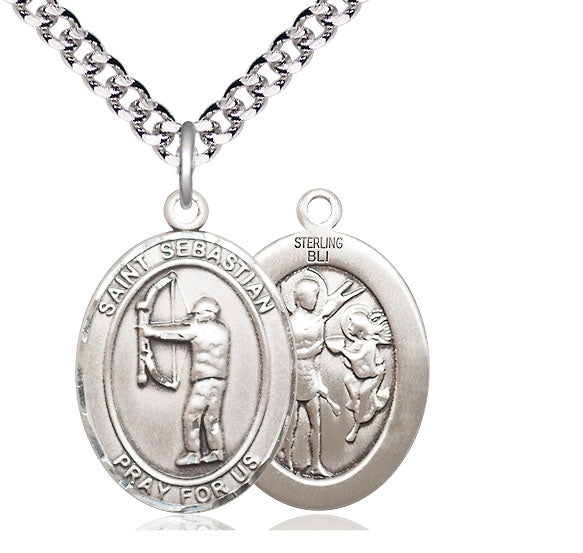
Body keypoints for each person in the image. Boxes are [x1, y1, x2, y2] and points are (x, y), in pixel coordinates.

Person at [279, 269, 364, 477]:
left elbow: (329, 308)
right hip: (294, 381)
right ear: (300, 298)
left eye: (317, 296)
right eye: (313, 296)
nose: (316, 300)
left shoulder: (318, 321)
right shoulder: (287, 323)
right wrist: (310, 352)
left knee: (316, 423)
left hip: (310, 380)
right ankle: (287, 461)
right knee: (290, 424)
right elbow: (286, 353)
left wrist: (319, 381)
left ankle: (315, 464)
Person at [141, 296, 230, 466]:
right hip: (219, 381)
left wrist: (149, 330)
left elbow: (175, 333)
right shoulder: (223, 330)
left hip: (203, 381)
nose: (194, 317)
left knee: (192, 416)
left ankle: (193, 453)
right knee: (211, 418)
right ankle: (217, 451)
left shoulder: (199, 329)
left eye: (197, 314)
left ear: (206, 314)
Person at [328, 306, 392, 443]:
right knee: (348, 380)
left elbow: (357, 358)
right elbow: (350, 362)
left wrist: (342, 350)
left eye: (352, 325)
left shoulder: (370, 345)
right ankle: (355, 401)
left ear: (360, 329)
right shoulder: (358, 343)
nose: (349, 327)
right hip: (364, 374)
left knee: (363, 392)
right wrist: (344, 355)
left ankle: (356, 426)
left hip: (374, 375)